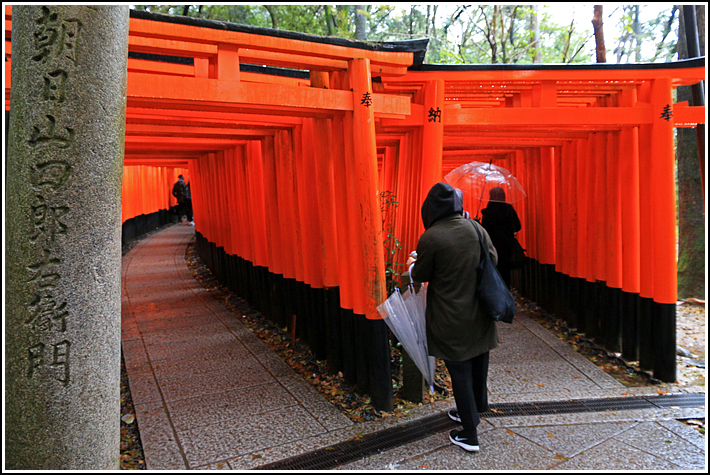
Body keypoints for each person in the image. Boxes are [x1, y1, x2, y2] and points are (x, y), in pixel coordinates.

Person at [406, 182, 499, 453]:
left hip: (451, 316)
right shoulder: (476, 228)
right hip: (480, 311)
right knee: (479, 362)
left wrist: (413, 264)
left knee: (459, 371)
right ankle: (474, 409)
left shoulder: (432, 237)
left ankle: (469, 434)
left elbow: (421, 274)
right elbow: (493, 259)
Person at [480, 187, 521, 289]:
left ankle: (496, 291)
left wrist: (477, 222)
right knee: (506, 271)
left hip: (493, 246)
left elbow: (485, 230)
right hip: (507, 246)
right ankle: (506, 291)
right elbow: (518, 226)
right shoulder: (509, 210)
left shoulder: (488, 212)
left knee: (494, 269)